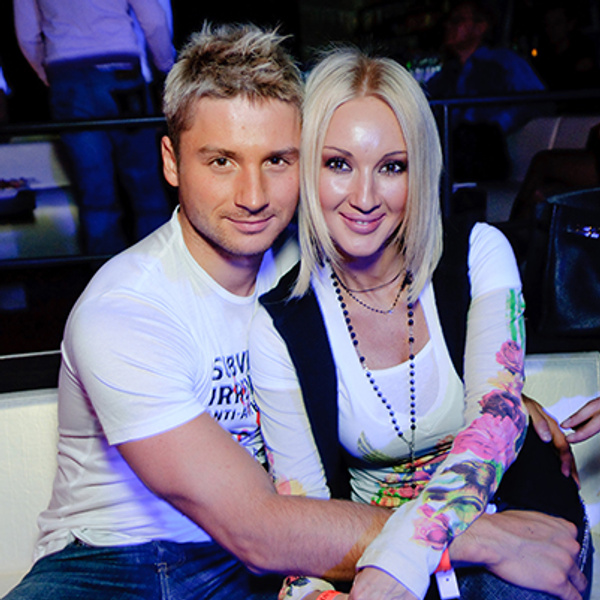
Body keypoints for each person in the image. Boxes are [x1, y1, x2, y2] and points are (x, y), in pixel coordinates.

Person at [2, 22, 587, 600]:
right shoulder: (125, 310)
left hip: (264, 562)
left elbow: (420, 338)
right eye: (221, 161)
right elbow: (259, 529)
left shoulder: (311, 260)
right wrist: (481, 537)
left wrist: (502, 402)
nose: (253, 196)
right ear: (172, 162)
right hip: (113, 558)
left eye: (277, 160)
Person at [250, 47, 590, 600]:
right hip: (370, 553)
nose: (364, 197)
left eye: (392, 167)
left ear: (421, 171)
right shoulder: (281, 324)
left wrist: (402, 561)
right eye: (338, 164)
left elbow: (495, 423)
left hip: (519, 525)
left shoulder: (478, 253)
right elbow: (302, 524)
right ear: (307, 169)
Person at [13, 0, 175, 255]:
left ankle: (104, 273)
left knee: (95, 192)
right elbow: (153, 19)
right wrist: (166, 66)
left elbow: (27, 34)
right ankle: (159, 268)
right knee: (145, 184)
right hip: (121, 74)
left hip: (67, 77)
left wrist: (52, 75)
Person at [426, 0, 545, 181]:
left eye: (457, 21)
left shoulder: (503, 62)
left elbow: (537, 100)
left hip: (483, 150)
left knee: (469, 139)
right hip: (450, 148)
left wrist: (497, 124)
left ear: (480, 27)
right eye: (449, 21)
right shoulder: (447, 73)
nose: (448, 26)